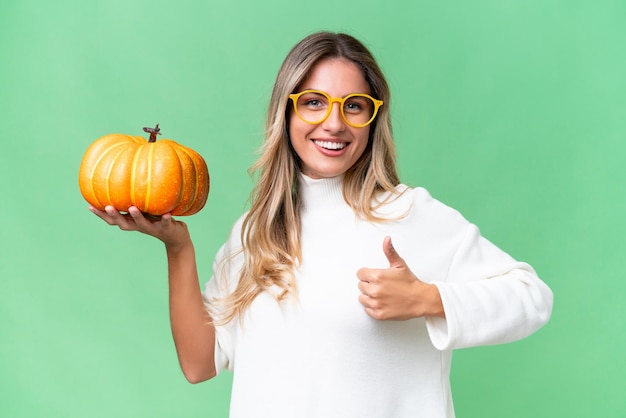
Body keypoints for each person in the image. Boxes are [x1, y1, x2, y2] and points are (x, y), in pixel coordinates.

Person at [89, 31, 553, 418]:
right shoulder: (255, 232)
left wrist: (427, 299)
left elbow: (532, 297)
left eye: (354, 106)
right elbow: (199, 361)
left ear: (373, 119)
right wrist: (178, 249)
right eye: (313, 102)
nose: (333, 123)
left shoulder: (408, 214)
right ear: (286, 113)